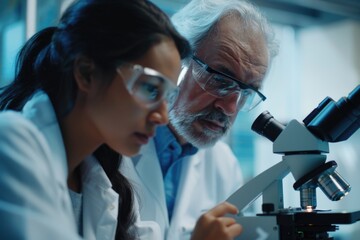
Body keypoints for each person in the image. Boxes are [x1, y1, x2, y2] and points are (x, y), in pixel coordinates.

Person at [0, 0, 243, 239]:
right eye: (150, 89)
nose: (161, 116)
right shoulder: (11, 142)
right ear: (86, 73)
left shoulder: (103, 183)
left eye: (168, 96)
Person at [121, 0, 279, 239]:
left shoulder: (224, 166)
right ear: (176, 60)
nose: (229, 107)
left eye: (246, 92)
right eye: (220, 79)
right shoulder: (111, 144)